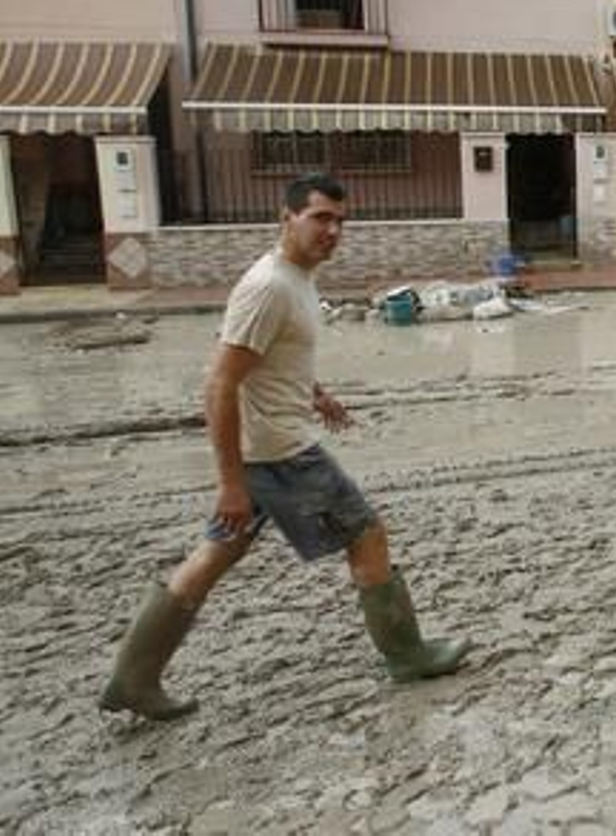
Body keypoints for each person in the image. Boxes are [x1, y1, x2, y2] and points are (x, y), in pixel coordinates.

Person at [99, 173, 468, 721]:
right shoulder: (270, 286)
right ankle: (407, 655)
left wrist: (314, 394)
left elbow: (265, 359)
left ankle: (133, 679)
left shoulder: (296, 278)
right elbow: (220, 382)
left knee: (213, 555)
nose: (333, 230)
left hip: (266, 449)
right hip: (280, 454)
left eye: (341, 221)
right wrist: (229, 484)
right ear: (287, 218)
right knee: (366, 535)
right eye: (320, 217)